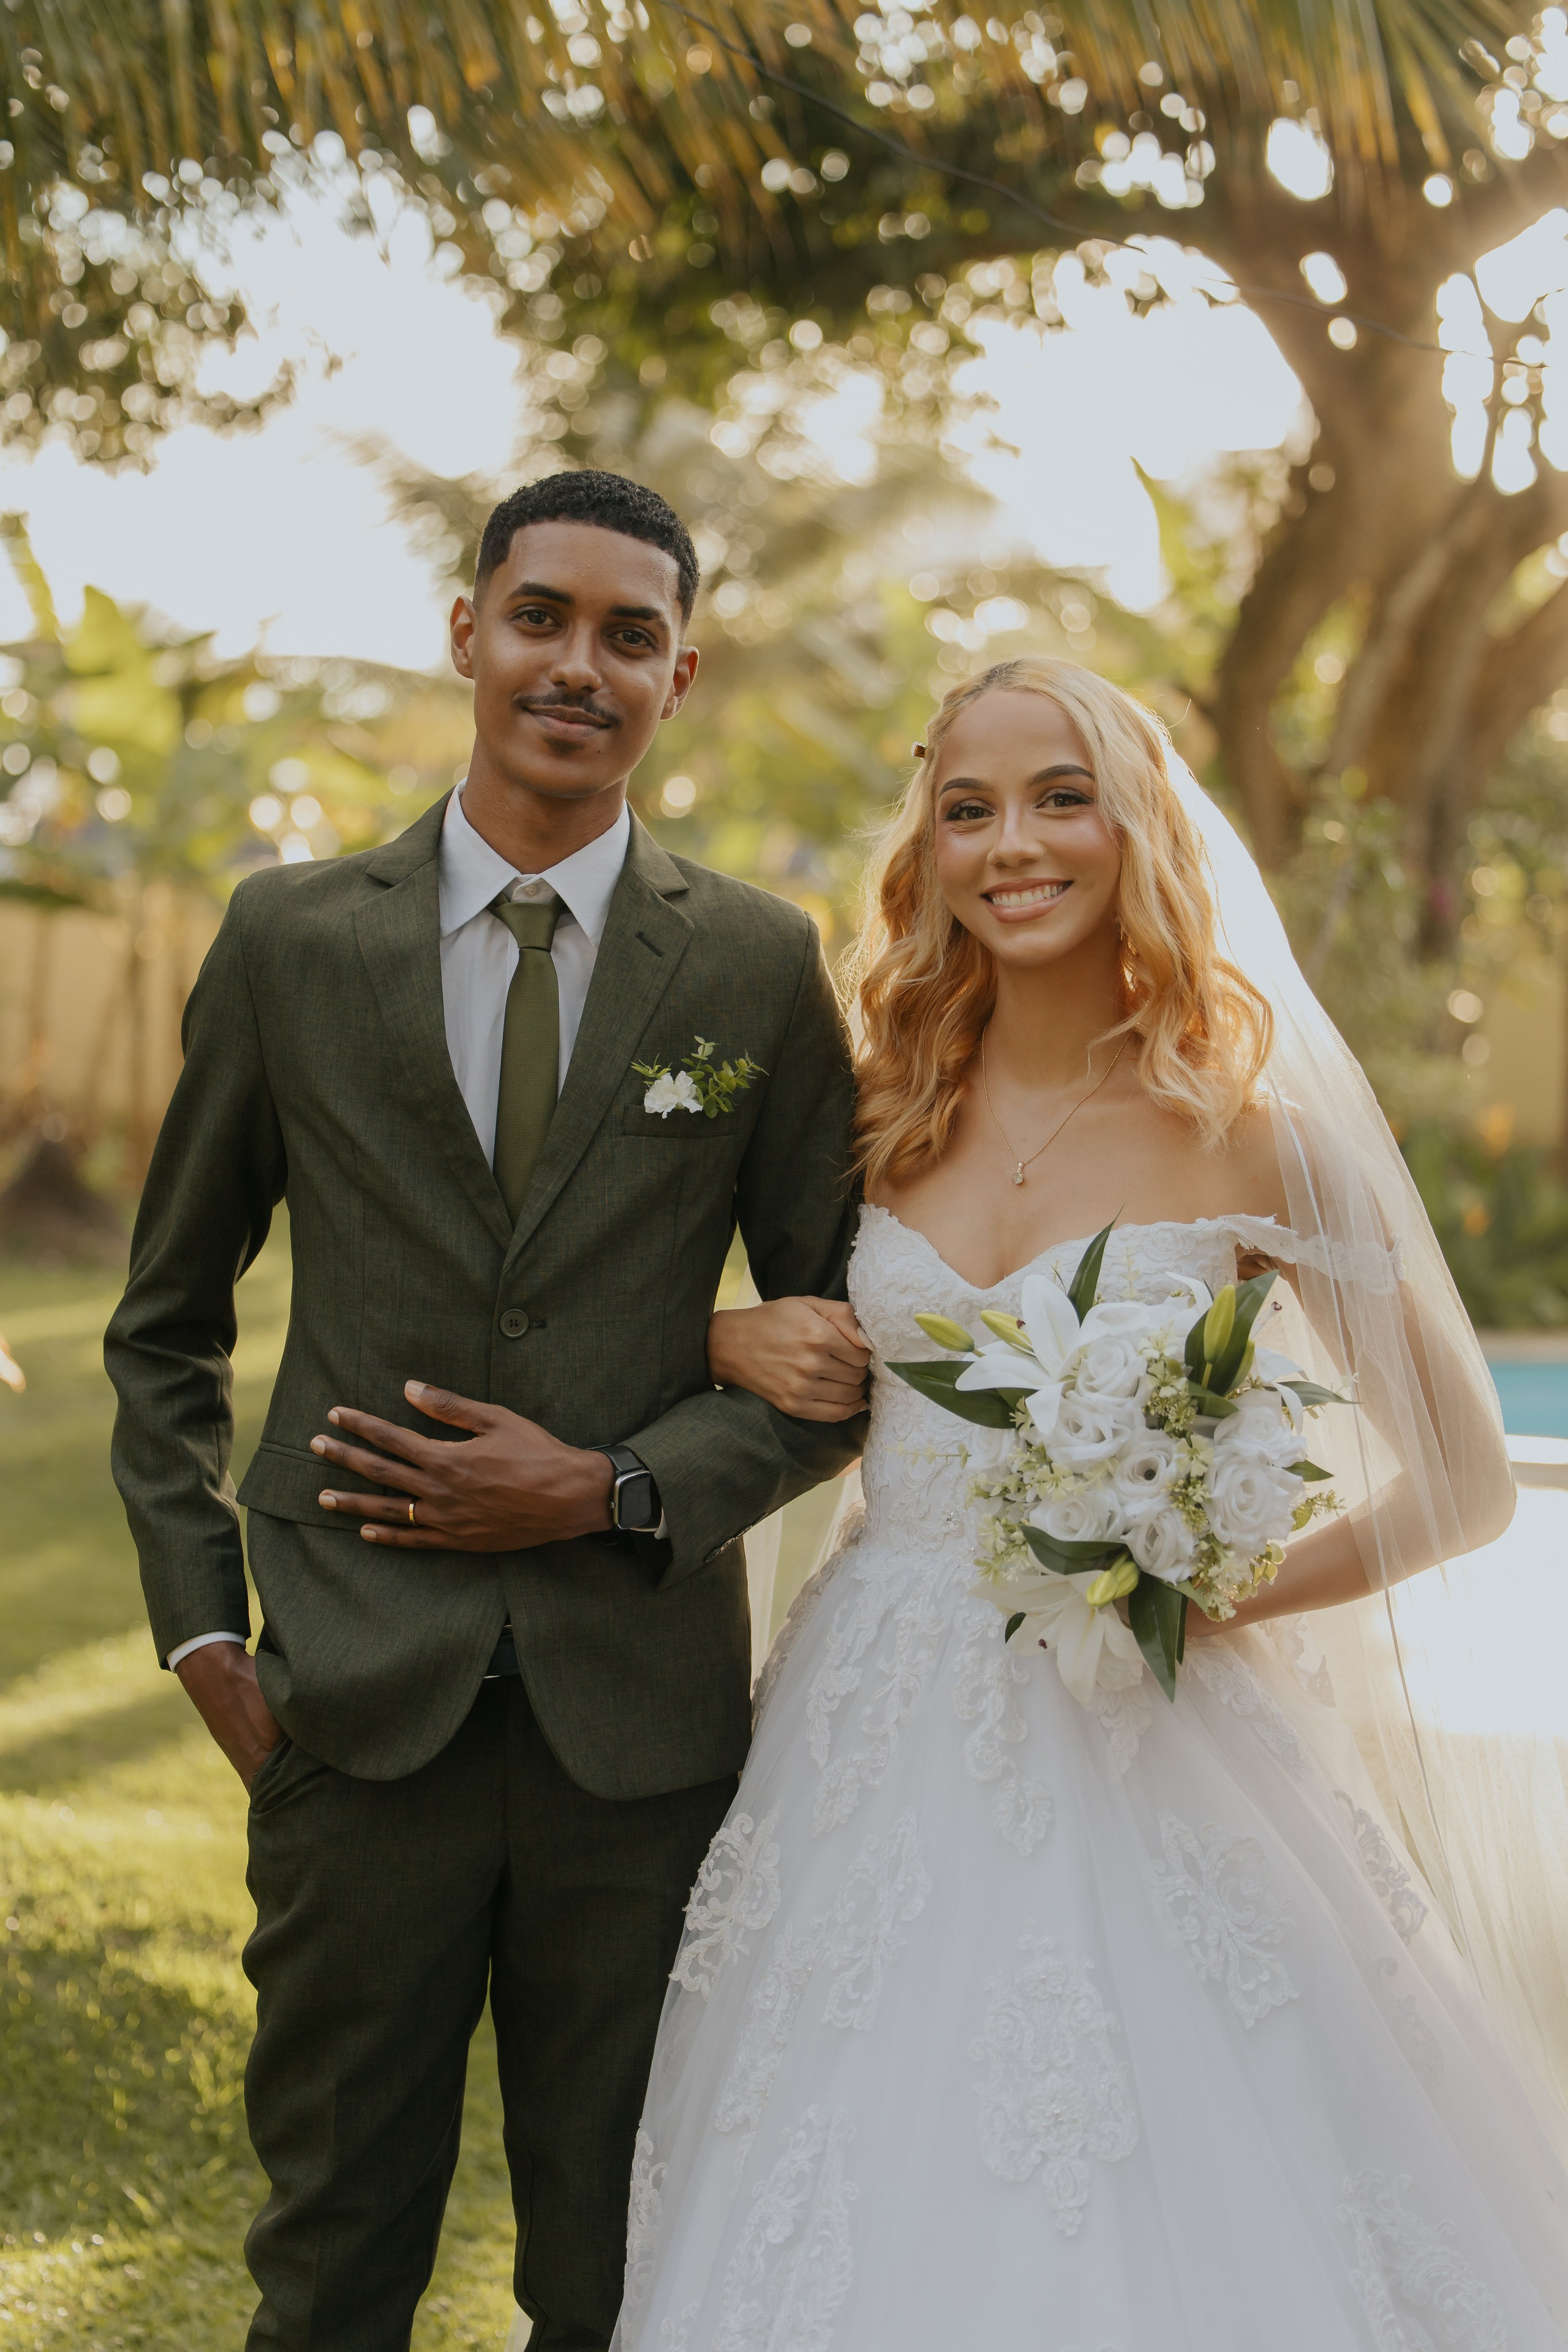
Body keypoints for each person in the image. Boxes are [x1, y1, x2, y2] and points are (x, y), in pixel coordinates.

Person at [617, 658, 1568, 2350]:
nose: (1014, 844)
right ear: (930, 848)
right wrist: (719, 1327)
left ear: (1139, 827)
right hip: (870, 1728)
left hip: (1162, 1737)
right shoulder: (873, 1109)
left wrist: (1206, 1592)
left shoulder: (1251, 1136)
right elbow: (642, 1318)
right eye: (968, 808)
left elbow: (1471, 1485)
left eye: (1062, 796)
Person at [104, 469, 870, 2352]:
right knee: (334, 2259)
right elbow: (165, 1330)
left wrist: (614, 1487)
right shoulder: (293, 940)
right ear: (469, 634)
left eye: (629, 637)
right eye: (542, 617)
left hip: (646, 1738)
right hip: (352, 1716)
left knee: (616, 2269)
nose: (577, 667)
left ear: (679, 677)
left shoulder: (760, 966)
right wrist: (212, 1638)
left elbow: (845, 1350)